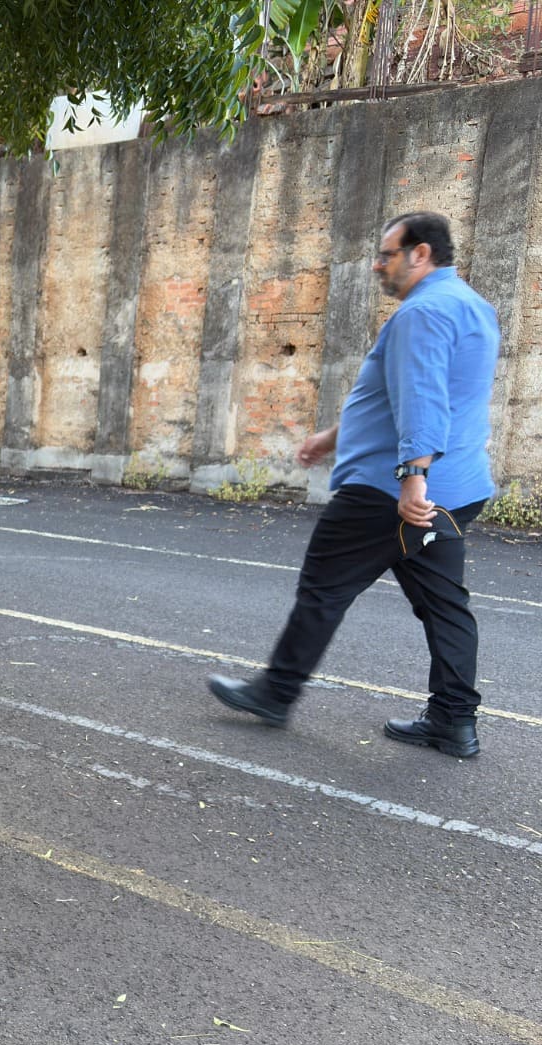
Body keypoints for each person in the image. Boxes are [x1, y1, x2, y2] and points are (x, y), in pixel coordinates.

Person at [208, 211, 496, 758]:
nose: (376, 264)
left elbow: (424, 400)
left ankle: (275, 692)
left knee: (324, 588)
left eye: (387, 254)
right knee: (443, 604)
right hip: (455, 489)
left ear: (421, 254)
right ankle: (454, 723)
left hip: (390, 493)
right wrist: (332, 439)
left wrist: (413, 478)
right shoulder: (472, 307)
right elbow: (405, 397)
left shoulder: (423, 314)